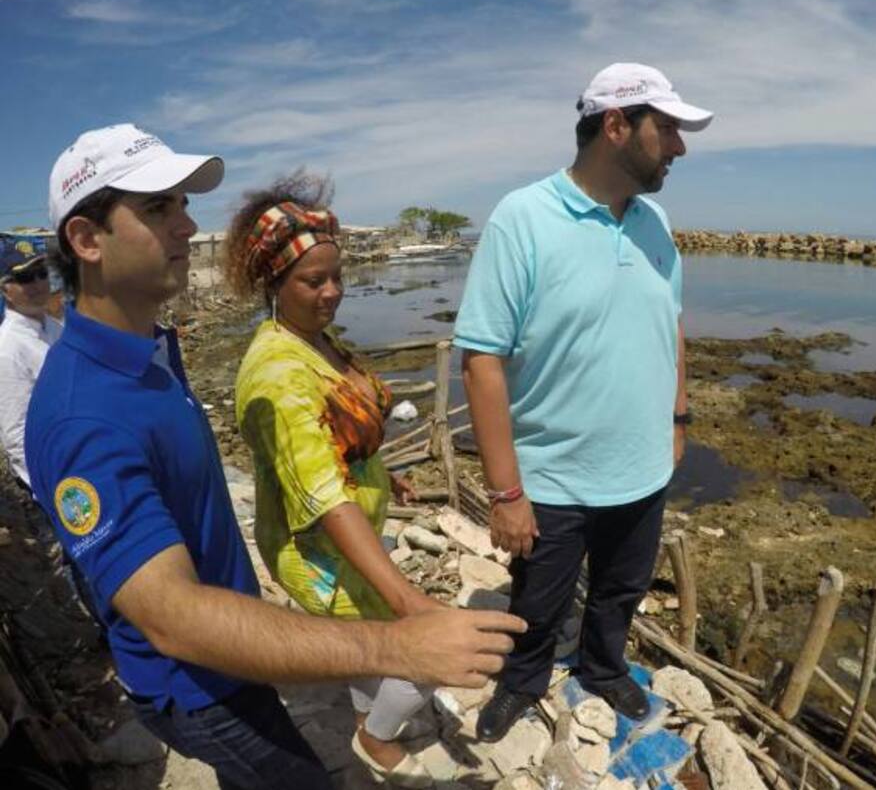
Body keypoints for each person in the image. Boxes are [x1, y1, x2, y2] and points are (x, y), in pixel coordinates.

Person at [25, 124, 525, 790]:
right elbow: (172, 618)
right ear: (87, 240)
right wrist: (395, 643)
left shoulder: (151, 351)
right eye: (158, 208)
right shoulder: (82, 417)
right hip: (201, 685)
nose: (187, 224)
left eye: (182, 204)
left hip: (234, 648)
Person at [454, 63, 713, 741]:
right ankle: (522, 680)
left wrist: (678, 417)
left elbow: (671, 323)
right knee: (537, 600)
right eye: (668, 129)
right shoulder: (522, 218)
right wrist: (506, 493)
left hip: (642, 466)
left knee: (621, 589)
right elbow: (481, 359)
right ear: (616, 125)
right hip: (554, 476)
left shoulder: (655, 222)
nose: (680, 147)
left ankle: (603, 667)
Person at [227, 175, 438, 785]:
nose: (333, 293)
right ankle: (375, 737)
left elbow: (334, 441)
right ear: (274, 284)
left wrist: (379, 473)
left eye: (337, 277)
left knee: (367, 645)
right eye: (313, 281)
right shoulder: (279, 374)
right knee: (418, 651)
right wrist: (412, 602)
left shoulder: (315, 339)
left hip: (347, 535)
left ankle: (369, 712)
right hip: (316, 549)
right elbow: (320, 497)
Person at [0, 243, 61, 491]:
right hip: (57, 478)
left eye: (42, 274)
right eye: (25, 278)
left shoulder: (55, 328)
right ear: (5, 289)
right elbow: (16, 436)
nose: (37, 284)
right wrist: (53, 489)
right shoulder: (8, 349)